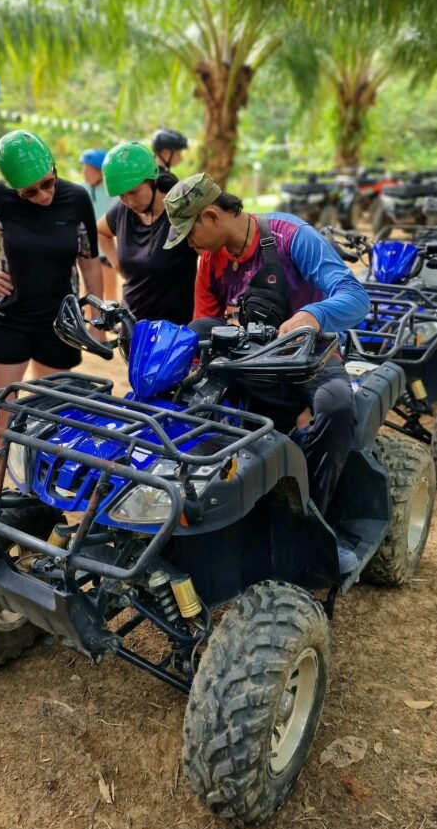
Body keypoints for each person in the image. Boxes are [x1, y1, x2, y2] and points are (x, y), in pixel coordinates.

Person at [163, 172, 371, 574]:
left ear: (212, 215)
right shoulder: (209, 261)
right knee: (192, 351)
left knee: (337, 406)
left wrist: (314, 314)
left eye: (190, 233)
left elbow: (355, 297)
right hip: (248, 360)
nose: (189, 243)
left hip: (308, 358)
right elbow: (204, 324)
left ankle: (311, 520)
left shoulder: (292, 237)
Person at [0, 129, 104, 493]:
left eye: (48, 183)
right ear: (13, 189)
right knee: (0, 417)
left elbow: (89, 260)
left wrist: (95, 313)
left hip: (58, 323)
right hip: (8, 320)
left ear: (55, 170)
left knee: (53, 419)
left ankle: (41, 507)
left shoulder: (76, 199)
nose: (43, 195)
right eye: (30, 192)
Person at [97, 141, 197, 325]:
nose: (128, 201)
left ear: (152, 180)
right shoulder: (122, 211)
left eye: (134, 192)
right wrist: (116, 263)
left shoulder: (180, 213)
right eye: (122, 196)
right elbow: (100, 231)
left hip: (175, 329)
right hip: (133, 326)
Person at [79, 148, 118, 300]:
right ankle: (89, 324)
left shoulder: (112, 193)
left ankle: (109, 324)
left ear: (100, 172)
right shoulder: (80, 190)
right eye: (84, 169)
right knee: (88, 294)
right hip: (87, 251)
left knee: (110, 292)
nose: (85, 173)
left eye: (89, 170)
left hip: (106, 252)